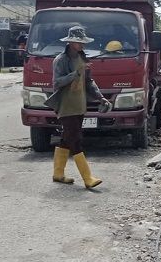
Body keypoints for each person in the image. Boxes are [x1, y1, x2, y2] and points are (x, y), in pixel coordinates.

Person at [43, 26, 112, 189]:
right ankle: (87, 178)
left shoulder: (82, 58)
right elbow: (57, 83)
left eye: (83, 42)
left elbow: (88, 82)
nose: (82, 45)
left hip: (80, 104)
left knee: (67, 139)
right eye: (79, 42)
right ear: (70, 42)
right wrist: (75, 75)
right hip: (66, 106)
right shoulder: (61, 60)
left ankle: (58, 174)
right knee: (76, 140)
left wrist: (100, 97)